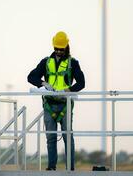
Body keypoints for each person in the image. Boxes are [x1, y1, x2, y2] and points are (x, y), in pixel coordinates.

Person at [27, 31, 85, 171]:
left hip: (65, 105)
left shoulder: (73, 63)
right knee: (51, 138)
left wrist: (69, 90)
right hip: (49, 105)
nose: (58, 51)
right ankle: (51, 167)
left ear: (66, 46)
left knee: (67, 137)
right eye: (56, 48)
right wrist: (43, 84)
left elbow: (82, 83)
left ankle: (70, 168)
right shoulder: (46, 62)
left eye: (61, 48)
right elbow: (30, 77)